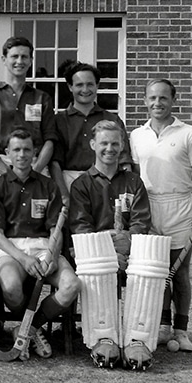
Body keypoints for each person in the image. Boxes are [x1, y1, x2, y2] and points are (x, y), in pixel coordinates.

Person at [69, 120, 156, 370]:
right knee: (99, 268)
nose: (110, 148)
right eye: (104, 143)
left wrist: (125, 247)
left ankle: (136, 340)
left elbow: (141, 222)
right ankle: (102, 338)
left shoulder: (133, 182)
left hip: (129, 252)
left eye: (115, 143)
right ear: (93, 144)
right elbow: (81, 227)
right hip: (95, 254)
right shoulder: (81, 184)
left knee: (149, 267)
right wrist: (109, 253)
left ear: (122, 147)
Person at [0, 127, 79, 360]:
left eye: (27, 149)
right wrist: (23, 258)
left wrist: (51, 254)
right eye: (16, 149)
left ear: (35, 152)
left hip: (43, 245)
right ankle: (29, 328)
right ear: (7, 152)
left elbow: (55, 230)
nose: (22, 154)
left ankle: (29, 328)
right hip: (8, 248)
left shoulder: (49, 186)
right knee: (10, 287)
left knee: (71, 285)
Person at [130, 79, 192, 352]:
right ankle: (163, 327)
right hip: (149, 209)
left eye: (163, 98)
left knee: (179, 273)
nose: (157, 103)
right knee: (157, 271)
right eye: (152, 98)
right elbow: (135, 178)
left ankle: (182, 330)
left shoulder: (189, 133)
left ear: (173, 100)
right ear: (145, 101)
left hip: (181, 209)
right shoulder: (136, 135)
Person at [0, 36, 56, 204]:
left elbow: (50, 140)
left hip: (35, 164)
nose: (19, 61)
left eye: (24, 57)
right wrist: (9, 174)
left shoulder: (43, 98)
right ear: (4, 59)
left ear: (31, 60)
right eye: (14, 56)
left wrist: (35, 171)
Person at [47, 60, 132, 201]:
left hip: (107, 184)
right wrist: (63, 195)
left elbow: (124, 161)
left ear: (97, 85)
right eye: (79, 85)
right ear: (70, 87)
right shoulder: (58, 121)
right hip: (70, 184)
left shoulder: (112, 120)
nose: (85, 90)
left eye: (90, 84)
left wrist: (126, 195)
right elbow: (55, 163)